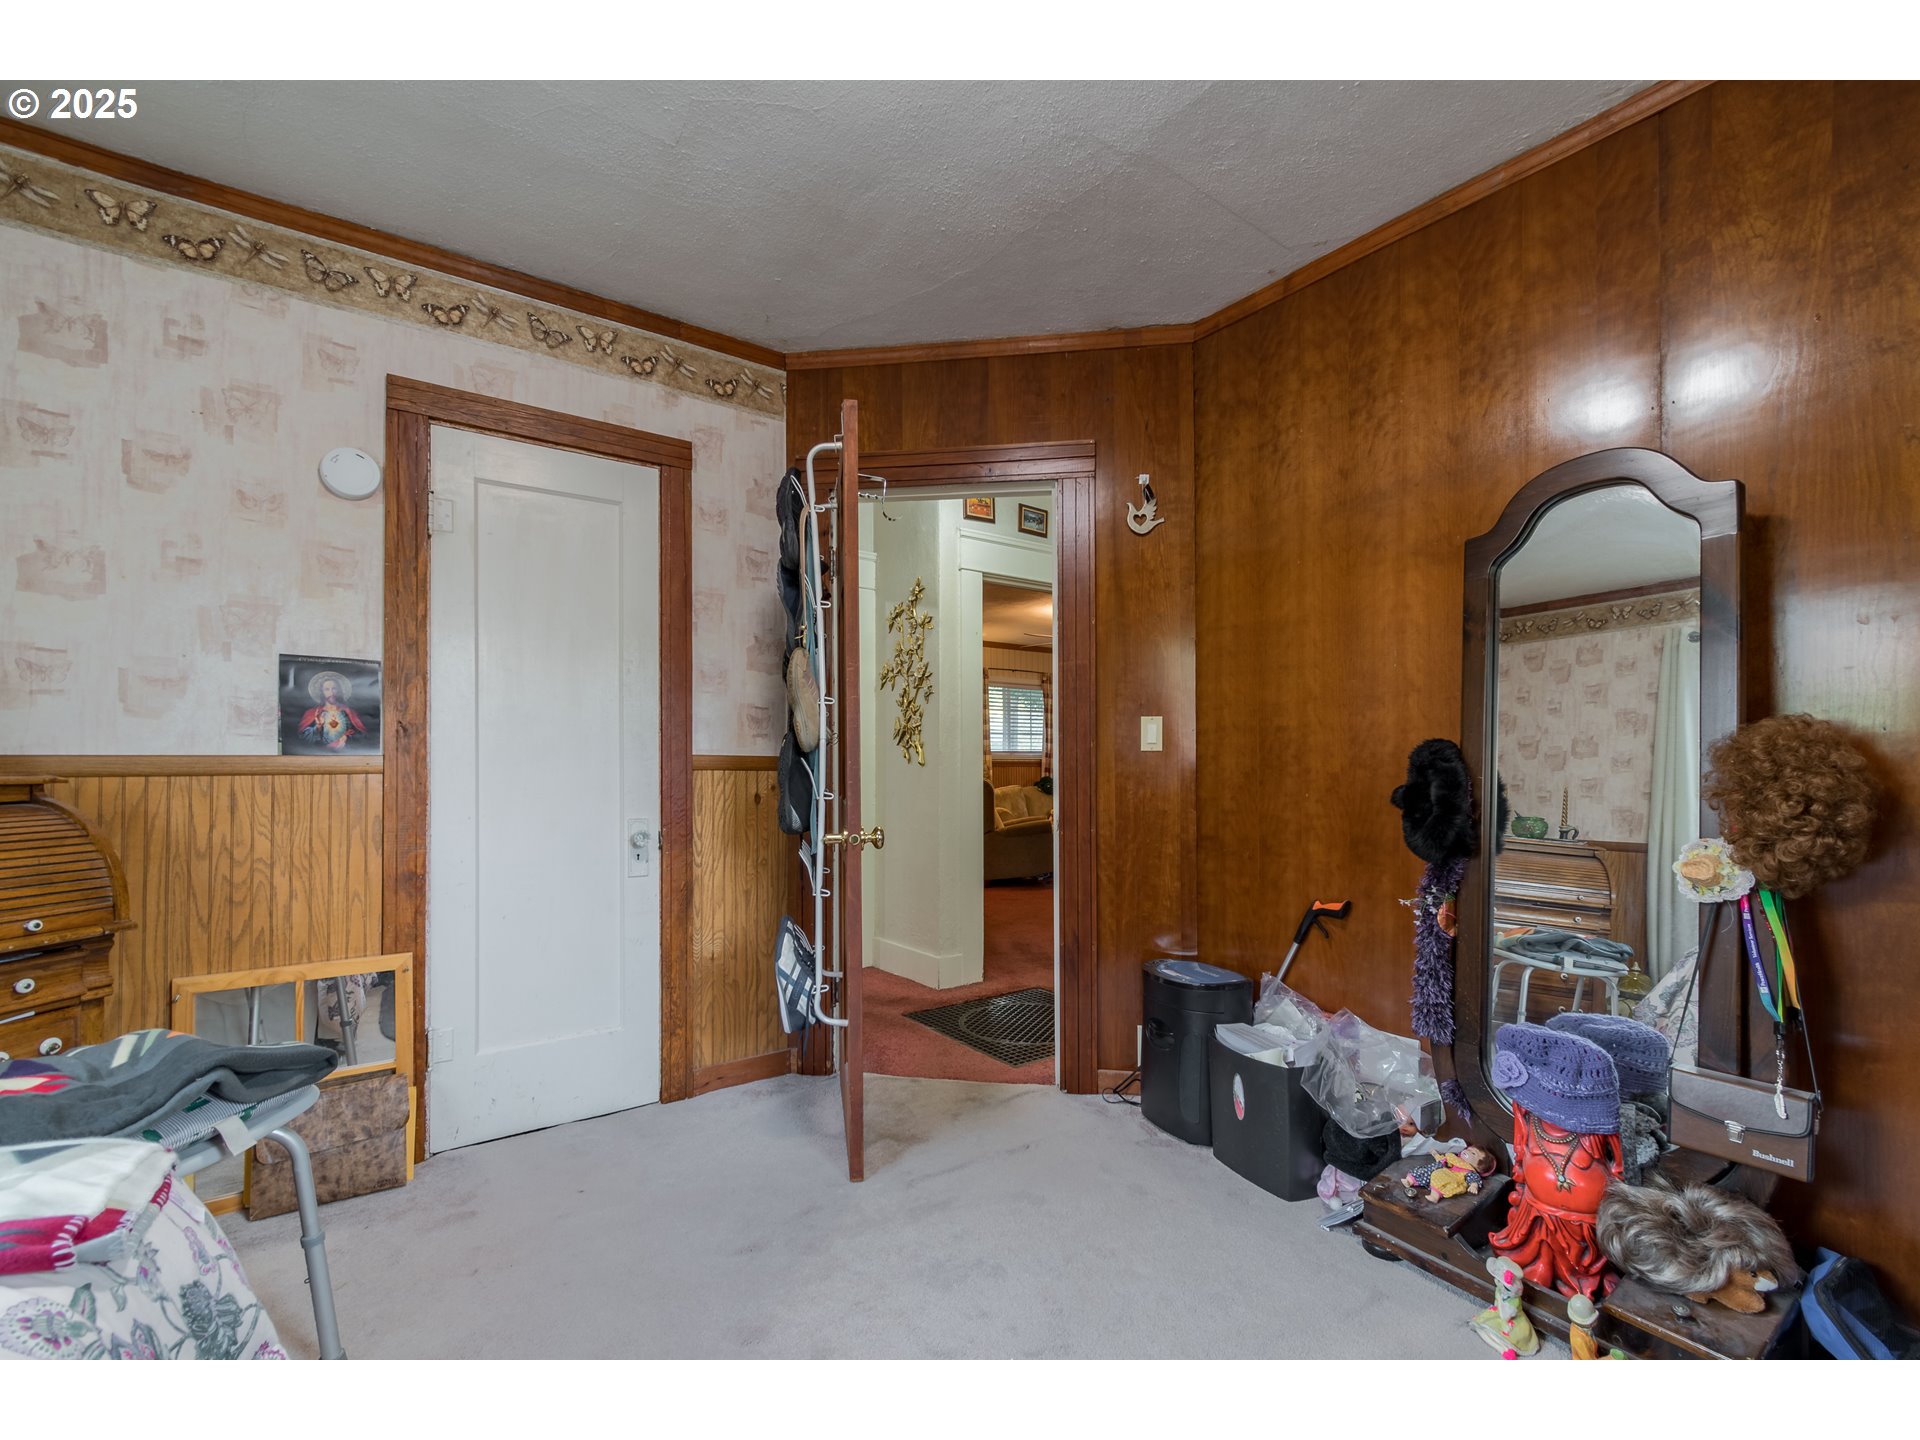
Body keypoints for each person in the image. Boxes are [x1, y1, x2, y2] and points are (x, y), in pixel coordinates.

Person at [299, 672, 368, 751]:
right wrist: (317, 727)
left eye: (334, 688)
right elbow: (302, 739)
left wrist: (347, 738)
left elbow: (362, 735)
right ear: (322, 692)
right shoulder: (313, 713)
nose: (331, 693)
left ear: (339, 691)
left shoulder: (349, 713)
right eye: (327, 689)